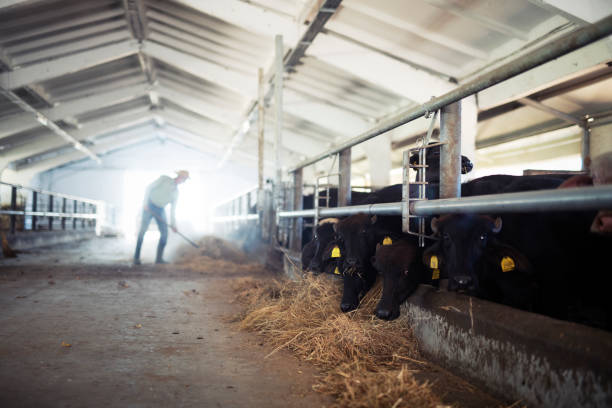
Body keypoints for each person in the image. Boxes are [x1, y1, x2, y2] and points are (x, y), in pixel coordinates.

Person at [133, 170, 189, 265]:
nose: (183, 181)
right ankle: (136, 258)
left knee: (164, 234)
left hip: (160, 209)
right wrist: (145, 203)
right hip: (149, 206)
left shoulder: (176, 192)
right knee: (142, 231)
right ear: (178, 176)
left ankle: (159, 259)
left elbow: (172, 210)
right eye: (183, 178)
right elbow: (149, 188)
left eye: (185, 179)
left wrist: (173, 224)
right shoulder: (164, 179)